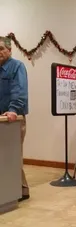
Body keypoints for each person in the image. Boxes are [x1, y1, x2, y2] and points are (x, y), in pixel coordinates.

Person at [0, 36, 29, 202]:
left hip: (14, 119)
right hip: (1, 119)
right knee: (6, 155)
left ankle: (13, 191)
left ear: (9, 50)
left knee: (11, 154)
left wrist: (12, 110)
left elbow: (20, 92)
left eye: (1, 49)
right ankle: (22, 189)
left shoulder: (17, 66)